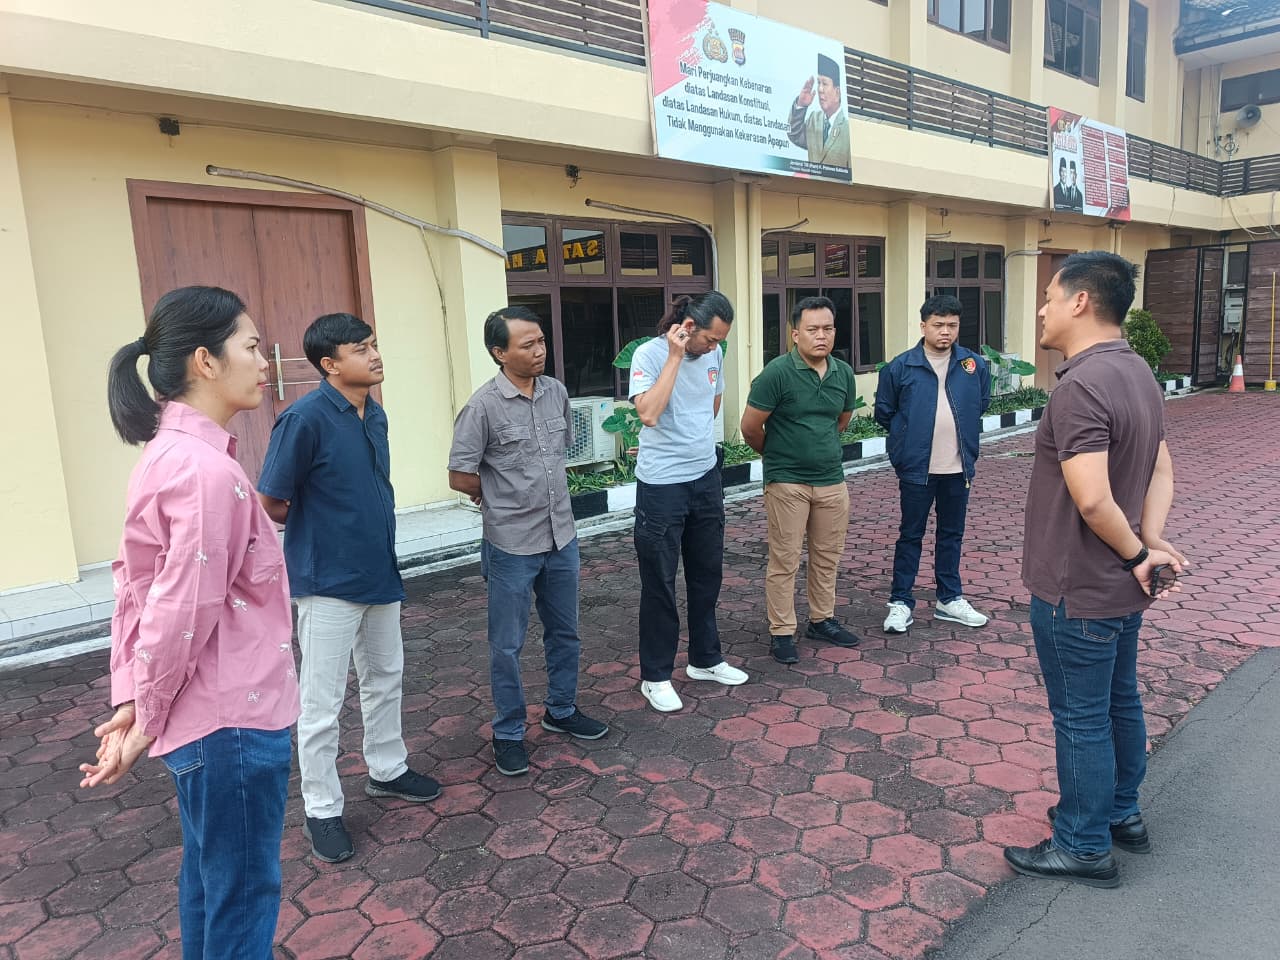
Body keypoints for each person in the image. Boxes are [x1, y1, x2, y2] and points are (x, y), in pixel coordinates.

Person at [81, 286, 300, 960]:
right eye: (251, 347)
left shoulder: (167, 455)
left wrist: (132, 702)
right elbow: (178, 613)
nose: (264, 363)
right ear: (206, 360)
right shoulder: (204, 471)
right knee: (241, 894)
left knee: (212, 884)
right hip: (232, 721)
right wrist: (143, 721)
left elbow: (134, 590)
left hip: (207, 721)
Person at [1004, 251, 1186, 888]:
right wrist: (1149, 543)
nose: (1042, 310)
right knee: (1119, 701)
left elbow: (1091, 499)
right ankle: (1120, 814)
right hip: (1119, 586)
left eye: (1050, 297)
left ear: (1080, 302)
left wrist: (1138, 553)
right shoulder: (1138, 372)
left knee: (1082, 716)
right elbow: (1161, 469)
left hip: (1075, 586)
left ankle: (1082, 844)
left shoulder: (1080, 385)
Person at [258, 313, 440, 864]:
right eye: (361, 349)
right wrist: (325, 529)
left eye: (374, 345)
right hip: (327, 581)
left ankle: (387, 769)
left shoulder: (373, 413)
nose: (375, 355)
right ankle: (321, 808)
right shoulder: (303, 419)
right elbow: (272, 500)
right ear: (329, 364)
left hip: (378, 571)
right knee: (322, 701)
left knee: (385, 677)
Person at [447, 306, 608, 777]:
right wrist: (499, 495)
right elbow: (460, 475)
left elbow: (559, 453)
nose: (539, 351)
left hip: (561, 535)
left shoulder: (556, 392)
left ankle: (562, 710)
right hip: (512, 543)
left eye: (541, 341)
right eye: (527, 345)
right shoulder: (482, 407)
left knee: (565, 631)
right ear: (500, 353)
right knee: (507, 644)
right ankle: (509, 732)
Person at [630, 292, 748, 712]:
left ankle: (705, 659)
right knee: (660, 582)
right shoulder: (649, 355)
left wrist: (697, 446)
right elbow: (649, 413)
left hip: (705, 478)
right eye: (710, 339)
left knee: (706, 574)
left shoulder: (713, 355)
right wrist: (676, 357)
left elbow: (711, 405)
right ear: (688, 326)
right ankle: (656, 676)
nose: (715, 347)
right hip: (662, 486)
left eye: (720, 341)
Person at [740, 296, 861, 664]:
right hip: (787, 481)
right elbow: (750, 428)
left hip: (831, 480)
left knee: (827, 556)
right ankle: (781, 631)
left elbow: (840, 421)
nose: (821, 336)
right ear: (795, 334)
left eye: (827, 328)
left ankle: (822, 620)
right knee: (785, 559)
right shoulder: (776, 373)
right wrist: (780, 455)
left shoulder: (843, 373)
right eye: (812, 329)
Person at [874, 295, 991, 634]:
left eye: (952, 325)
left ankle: (949, 599)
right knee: (910, 534)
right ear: (923, 326)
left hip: (958, 468)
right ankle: (900, 601)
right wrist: (905, 442)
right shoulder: (901, 366)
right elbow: (885, 412)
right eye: (938, 325)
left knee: (951, 535)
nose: (945, 331)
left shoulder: (972, 365)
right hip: (917, 469)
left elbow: (980, 403)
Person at [788, 53, 851, 169]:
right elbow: (794, 134)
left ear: (837, 92)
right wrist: (801, 105)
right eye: (818, 83)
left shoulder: (847, 129)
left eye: (825, 84)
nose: (820, 89)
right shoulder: (814, 119)